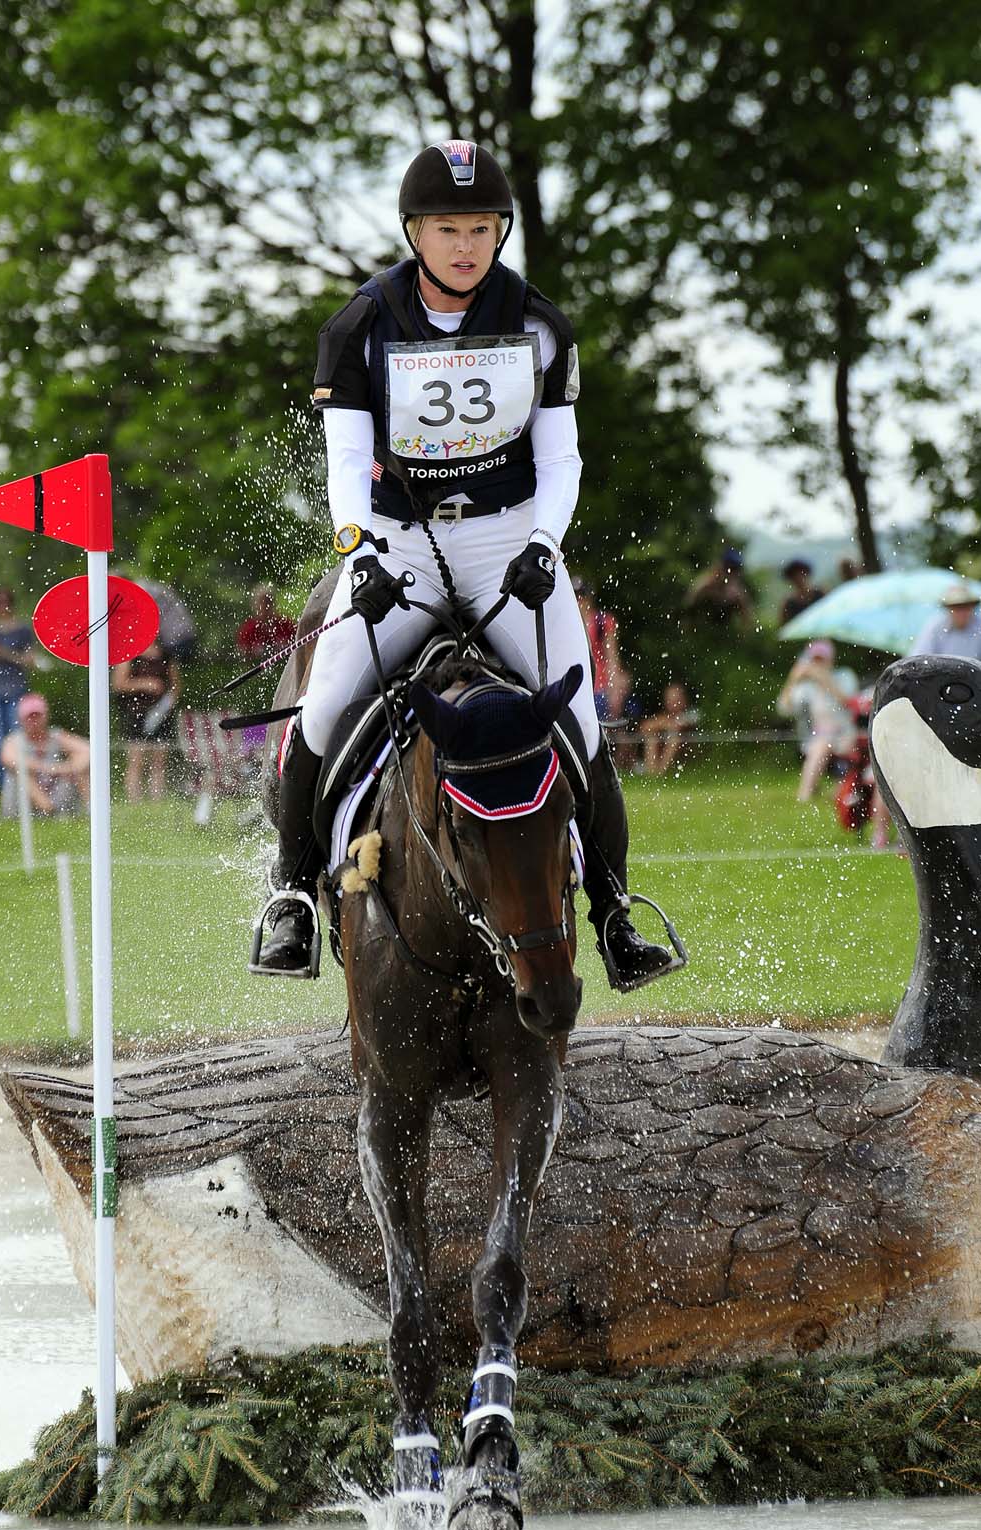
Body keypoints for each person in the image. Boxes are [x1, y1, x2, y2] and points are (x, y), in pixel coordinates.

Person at [254, 139, 674, 989]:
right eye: (448, 228)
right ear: (416, 231)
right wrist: (358, 553)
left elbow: (561, 463)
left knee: (582, 722)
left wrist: (543, 548)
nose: (465, 245)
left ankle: (615, 911)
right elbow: (346, 463)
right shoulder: (360, 328)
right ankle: (292, 896)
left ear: (499, 232)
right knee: (327, 702)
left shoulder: (540, 325)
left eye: (481, 227)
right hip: (399, 542)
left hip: (506, 539)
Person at [777, 641, 858, 803]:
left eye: (822, 659)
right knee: (821, 746)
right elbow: (783, 709)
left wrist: (826, 681)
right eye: (815, 660)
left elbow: (849, 703)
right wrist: (793, 680)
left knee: (832, 749)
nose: (818, 664)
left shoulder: (844, 676)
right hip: (819, 738)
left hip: (845, 733)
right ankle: (805, 793)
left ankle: (827, 791)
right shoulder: (807, 687)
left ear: (831, 660)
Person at [111, 640, 182, 802]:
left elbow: (175, 685)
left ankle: (157, 799)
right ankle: (134, 800)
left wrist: (166, 704)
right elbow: (118, 684)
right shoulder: (130, 654)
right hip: (137, 714)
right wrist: (144, 684)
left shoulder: (165, 654)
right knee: (136, 760)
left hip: (161, 713)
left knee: (159, 761)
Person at [0, 693, 90, 816]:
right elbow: (9, 760)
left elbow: (87, 751)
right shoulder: (14, 740)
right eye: (30, 717)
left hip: (53, 791)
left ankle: (92, 810)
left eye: (37, 716)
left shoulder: (57, 736)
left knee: (79, 767)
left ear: (46, 716)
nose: (34, 721)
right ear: (21, 720)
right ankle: (48, 810)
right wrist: (49, 769)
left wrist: (69, 768)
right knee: (23, 773)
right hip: (22, 802)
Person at [0, 586, 36, 782]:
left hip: (16, 690)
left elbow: (30, 661)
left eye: (5, 602)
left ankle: (20, 782)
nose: (2, 606)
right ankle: (4, 783)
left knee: (16, 737)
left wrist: (4, 653)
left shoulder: (22, 629)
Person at [573, 577, 630, 723]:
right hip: (576, 688)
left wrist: (614, 689)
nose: (579, 600)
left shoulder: (603, 622)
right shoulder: (569, 624)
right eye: (576, 596)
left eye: (582, 596)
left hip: (599, 688)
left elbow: (612, 658)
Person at [908, 582, 981, 660]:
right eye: (957, 607)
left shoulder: (979, 626)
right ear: (949, 608)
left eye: (965, 607)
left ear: (972, 607)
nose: (962, 612)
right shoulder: (935, 627)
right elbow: (918, 657)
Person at [639, 683, 698, 776]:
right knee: (652, 738)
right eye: (670, 699)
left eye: (675, 699)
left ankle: (662, 773)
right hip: (665, 746)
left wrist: (663, 724)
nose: (672, 703)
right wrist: (663, 724)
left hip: (686, 749)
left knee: (674, 739)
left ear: (683, 700)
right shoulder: (665, 717)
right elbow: (644, 727)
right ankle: (652, 773)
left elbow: (679, 726)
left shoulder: (691, 714)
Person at [683, 547, 753, 625]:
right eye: (730, 568)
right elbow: (688, 604)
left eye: (736, 570)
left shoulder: (737, 593)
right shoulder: (705, 584)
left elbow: (748, 622)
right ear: (721, 567)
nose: (732, 574)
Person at [237, 584, 297, 661]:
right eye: (262, 603)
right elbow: (242, 655)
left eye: (268, 602)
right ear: (255, 605)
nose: (266, 606)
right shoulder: (247, 630)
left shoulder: (285, 624)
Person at [778, 559, 825, 627]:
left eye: (801, 576)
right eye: (795, 577)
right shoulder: (788, 604)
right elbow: (784, 626)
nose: (799, 580)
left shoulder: (820, 594)